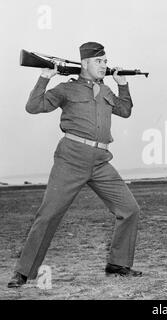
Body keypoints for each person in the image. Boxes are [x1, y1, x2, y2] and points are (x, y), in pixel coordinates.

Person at [8, 42, 142, 288]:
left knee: (129, 209)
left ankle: (118, 264)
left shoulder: (106, 91)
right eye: (99, 61)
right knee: (48, 215)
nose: (104, 65)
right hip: (71, 158)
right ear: (84, 64)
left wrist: (123, 86)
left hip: (101, 161)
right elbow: (33, 107)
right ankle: (23, 272)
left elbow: (125, 111)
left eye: (105, 61)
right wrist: (43, 78)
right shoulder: (66, 90)